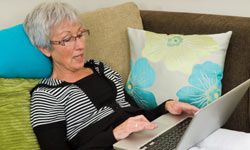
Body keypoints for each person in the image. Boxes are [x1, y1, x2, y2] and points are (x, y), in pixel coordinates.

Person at [24, 2, 199, 150]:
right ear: (45, 48)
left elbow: (134, 115)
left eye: (80, 34)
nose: (80, 45)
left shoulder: (101, 69)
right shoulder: (46, 96)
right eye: (67, 39)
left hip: (145, 140)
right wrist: (115, 134)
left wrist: (166, 108)